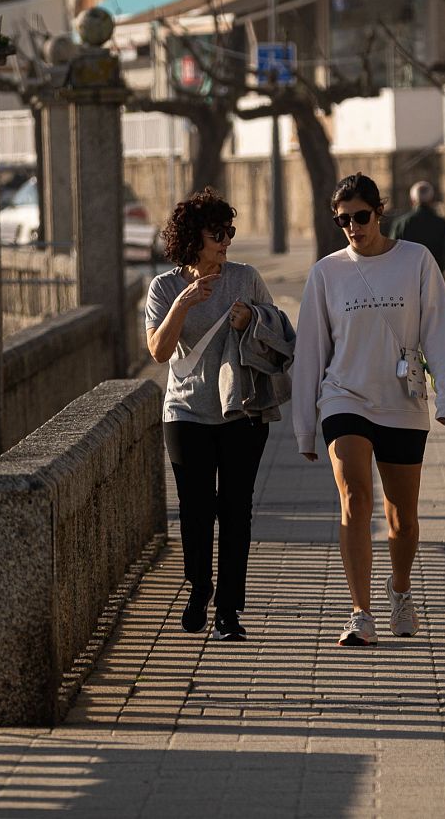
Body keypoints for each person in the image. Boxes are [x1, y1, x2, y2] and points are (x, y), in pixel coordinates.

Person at [292, 173, 445, 646]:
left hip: (402, 402)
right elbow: (311, 350)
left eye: (361, 217)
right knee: (355, 499)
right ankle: (359, 613)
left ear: (379, 212)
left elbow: (438, 331)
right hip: (344, 396)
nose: (353, 227)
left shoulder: (416, 261)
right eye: (343, 220)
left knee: (402, 516)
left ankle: (402, 592)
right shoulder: (326, 272)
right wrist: (305, 428)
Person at [145, 189, 280, 643]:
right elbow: (159, 351)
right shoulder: (163, 287)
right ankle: (199, 588)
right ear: (192, 239)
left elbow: (277, 331)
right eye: (216, 234)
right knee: (196, 509)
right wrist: (185, 303)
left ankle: (228, 610)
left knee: (236, 510)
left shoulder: (246, 278)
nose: (225, 241)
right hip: (184, 412)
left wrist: (252, 319)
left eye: (229, 232)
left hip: (241, 410)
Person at [387, 181, 445, 300]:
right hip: (435, 279)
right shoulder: (442, 224)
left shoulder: (401, 224)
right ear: (431, 200)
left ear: (412, 200)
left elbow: (391, 254)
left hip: (406, 281)